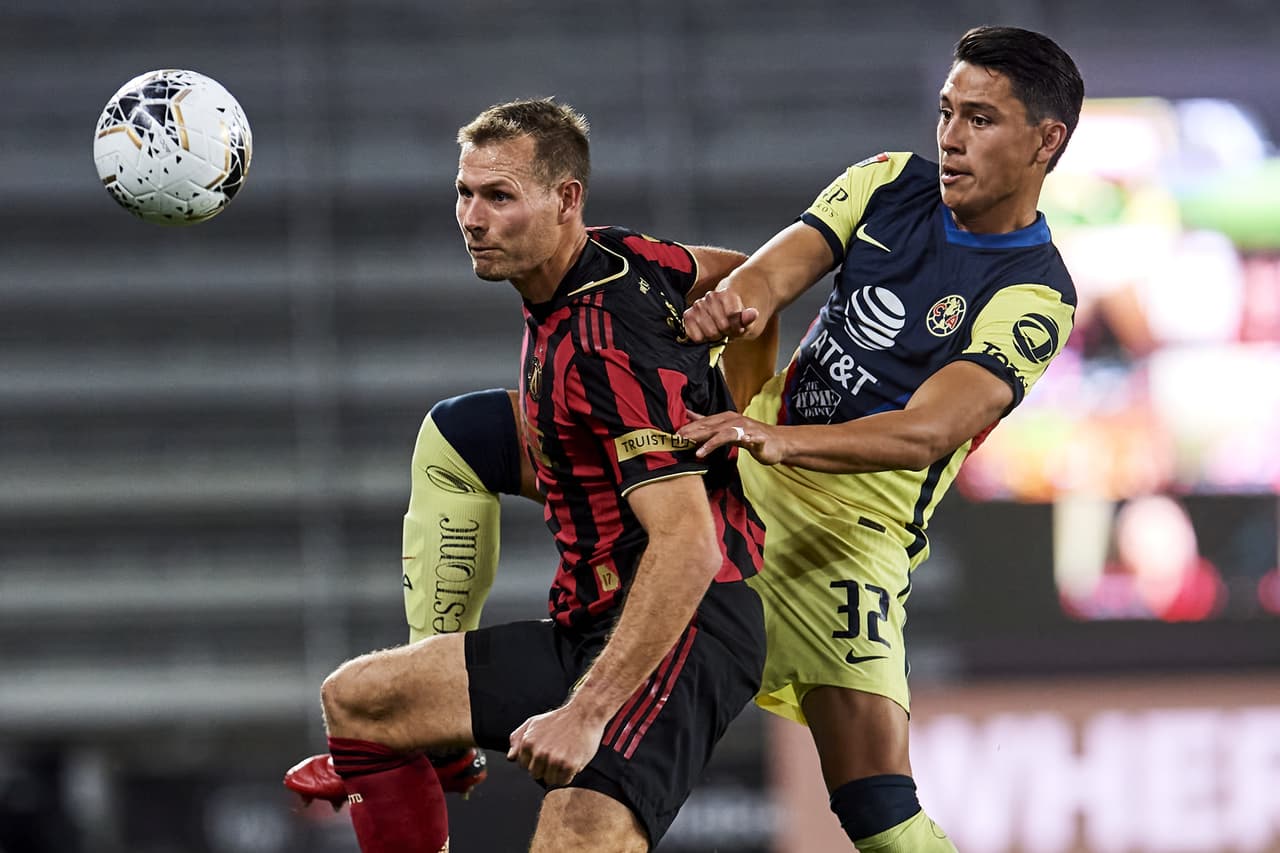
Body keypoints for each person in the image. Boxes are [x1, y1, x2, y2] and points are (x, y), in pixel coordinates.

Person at [290, 24, 1084, 853]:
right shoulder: (887, 183)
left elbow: (929, 431)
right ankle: (438, 733)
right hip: (735, 473)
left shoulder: (1035, 293)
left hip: (846, 539)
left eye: (981, 120)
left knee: (877, 807)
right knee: (459, 440)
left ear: (1045, 140)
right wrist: (734, 322)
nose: (952, 139)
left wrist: (771, 435)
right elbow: (768, 275)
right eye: (947, 111)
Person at [288, 98, 767, 853]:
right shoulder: (620, 254)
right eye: (464, 192)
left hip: (682, 626)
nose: (471, 218)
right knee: (361, 700)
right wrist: (738, 405)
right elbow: (749, 279)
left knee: (572, 837)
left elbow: (690, 547)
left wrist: (585, 713)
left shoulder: (610, 348)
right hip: (593, 624)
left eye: (499, 196)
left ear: (565, 199)